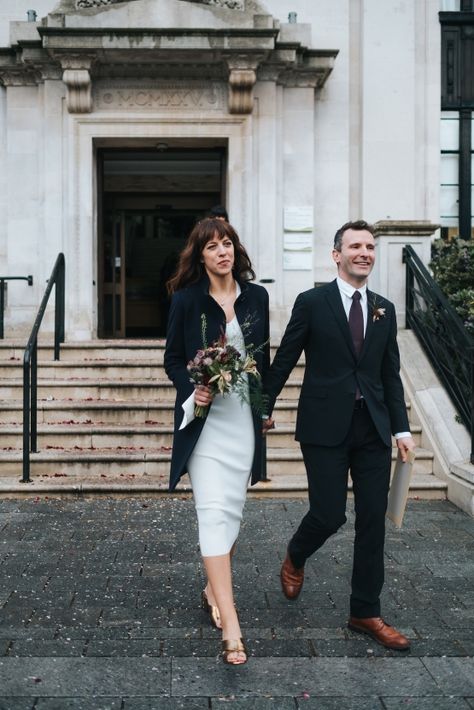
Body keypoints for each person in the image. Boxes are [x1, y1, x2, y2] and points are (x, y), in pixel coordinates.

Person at [263, 220, 415, 651]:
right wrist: (265, 405)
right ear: (337, 255)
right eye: (355, 246)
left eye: (370, 246)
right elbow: (286, 357)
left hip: (373, 430)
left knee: (373, 522)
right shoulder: (312, 302)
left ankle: (365, 611)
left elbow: (389, 374)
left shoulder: (384, 308)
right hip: (324, 427)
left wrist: (401, 429)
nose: (364, 252)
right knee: (329, 514)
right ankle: (296, 554)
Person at [164, 217, 270, 665]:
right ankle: (231, 623)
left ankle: (213, 585)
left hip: (242, 418)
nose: (222, 252)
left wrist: (264, 408)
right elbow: (172, 359)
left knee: (233, 511)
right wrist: (193, 388)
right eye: (212, 247)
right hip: (205, 422)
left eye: (227, 243)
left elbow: (262, 357)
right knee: (212, 512)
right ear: (200, 256)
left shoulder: (257, 296)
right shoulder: (187, 300)